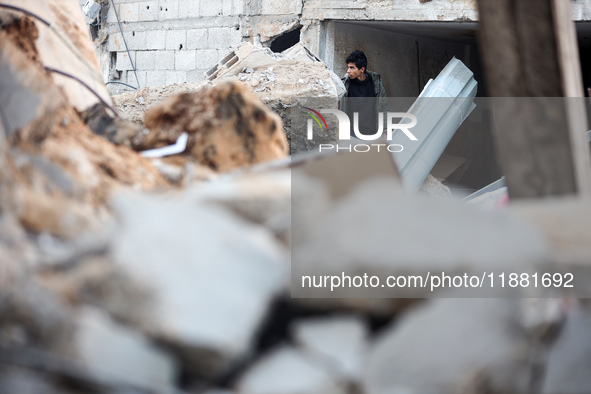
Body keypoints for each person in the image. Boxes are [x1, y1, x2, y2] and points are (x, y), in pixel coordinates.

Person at [340, 50, 388, 137]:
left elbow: (383, 107)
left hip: (372, 132)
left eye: (352, 68)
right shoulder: (345, 83)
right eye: (348, 67)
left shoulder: (376, 83)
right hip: (351, 134)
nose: (348, 71)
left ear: (362, 69)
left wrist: (385, 129)